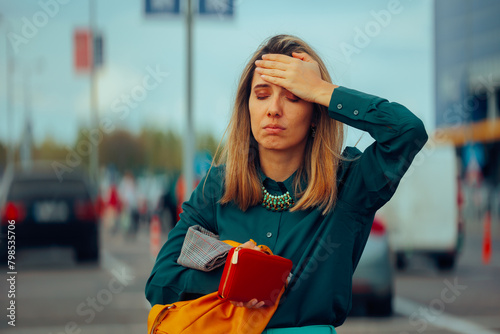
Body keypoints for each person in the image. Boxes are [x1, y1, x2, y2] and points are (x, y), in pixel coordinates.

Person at [145, 34, 428, 332]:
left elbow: (407, 131)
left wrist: (324, 90)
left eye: (294, 96)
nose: (274, 109)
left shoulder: (347, 183)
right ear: (248, 107)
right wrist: (232, 275)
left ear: (316, 113)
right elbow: (161, 282)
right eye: (262, 94)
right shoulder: (218, 185)